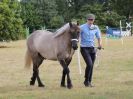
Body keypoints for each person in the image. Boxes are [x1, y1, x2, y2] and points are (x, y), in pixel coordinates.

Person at [80, 14, 102, 87]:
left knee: (91, 66)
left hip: (92, 48)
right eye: (89, 19)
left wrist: (99, 44)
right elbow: (76, 35)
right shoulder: (82, 27)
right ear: (87, 20)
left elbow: (99, 37)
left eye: (92, 19)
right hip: (84, 48)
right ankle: (86, 81)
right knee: (89, 64)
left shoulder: (96, 27)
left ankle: (89, 82)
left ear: (94, 20)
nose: (90, 21)